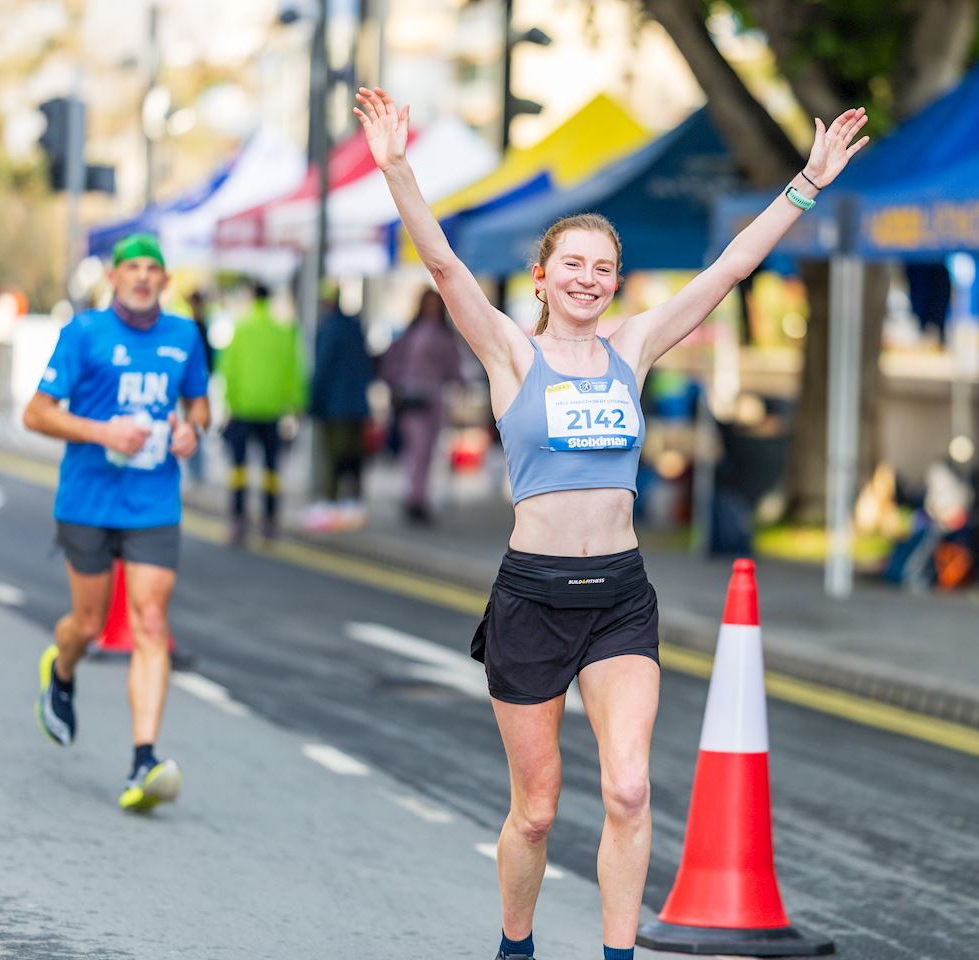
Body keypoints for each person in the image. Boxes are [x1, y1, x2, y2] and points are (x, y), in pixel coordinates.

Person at [354, 87, 868, 960]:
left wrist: (806, 186)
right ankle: (516, 944)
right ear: (546, 276)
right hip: (533, 599)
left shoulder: (633, 347)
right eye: (574, 265)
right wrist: (399, 168)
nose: (589, 279)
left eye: (603, 268)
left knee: (629, 790)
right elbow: (443, 266)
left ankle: (616, 954)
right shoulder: (511, 352)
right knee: (538, 808)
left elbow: (730, 269)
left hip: (621, 598)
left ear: (614, 282)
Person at [21, 233, 211, 812]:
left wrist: (190, 429)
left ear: (166, 281)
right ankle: (63, 667)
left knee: (151, 622)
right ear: (113, 277)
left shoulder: (184, 336)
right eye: (133, 268)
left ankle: (143, 760)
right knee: (88, 622)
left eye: (154, 269)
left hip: (153, 501)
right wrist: (103, 432)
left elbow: (199, 403)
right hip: (87, 500)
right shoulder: (84, 334)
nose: (143, 277)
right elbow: (36, 413)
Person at [217, 281, 306, 544]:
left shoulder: (241, 329)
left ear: (251, 297)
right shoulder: (283, 331)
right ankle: (269, 521)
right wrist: (296, 405)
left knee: (239, 469)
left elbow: (228, 370)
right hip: (273, 411)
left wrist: (229, 403)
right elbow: (294, 371)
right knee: (271, 470)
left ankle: (238, 520)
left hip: (243, 409)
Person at [380, 288, 462, 524]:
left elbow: (453, 367)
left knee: (426, 452)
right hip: (413, 399)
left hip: (433, 400)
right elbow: (392, 363)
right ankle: (415, 497)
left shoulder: (442, 336)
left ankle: (418, 496)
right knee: (417, 450)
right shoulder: (411, 334)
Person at [306, 288, 373, 531]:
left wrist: (314, 401)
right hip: (357, 404)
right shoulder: (355, 328)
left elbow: (323, 368)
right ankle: (354, 504)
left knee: (333, 457)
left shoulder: (328, 329)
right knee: (354, 457)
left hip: (334, 406)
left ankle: (331, 505)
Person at [184, 288, 216, 484]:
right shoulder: (197, 326)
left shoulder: (197, 327)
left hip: (196, 383)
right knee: (191, 426)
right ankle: (195, 469)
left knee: (194, 426)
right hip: (193, 382)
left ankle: (197, 469)